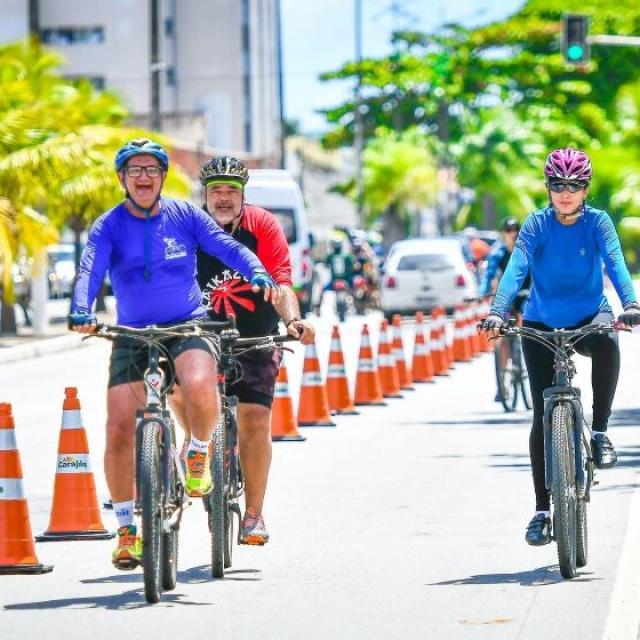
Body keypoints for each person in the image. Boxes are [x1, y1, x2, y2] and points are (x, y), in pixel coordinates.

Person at [68, 139, 280, 568]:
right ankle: (128, 530)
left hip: (188, 324)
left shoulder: (184, 215)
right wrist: (81, 309)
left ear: (163, 177)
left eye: (151, 169)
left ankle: (198, 449)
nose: (143, 177)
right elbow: (90, 269)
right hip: (133, 332)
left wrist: (255, 269)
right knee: (117, 429)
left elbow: (227, 246)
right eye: (135, 170)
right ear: (122, 178)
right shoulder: (109, 225)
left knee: (201, 385)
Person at [480, 147, 640, 547]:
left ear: (586, 189)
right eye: (558, 185)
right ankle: (541, 510)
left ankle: (600, 432)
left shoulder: (598, 223)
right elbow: (517, 267)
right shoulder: (535, 224)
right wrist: (499, 312)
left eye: (574, 185)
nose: (566, 192)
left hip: (588, 315)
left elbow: (617, 263)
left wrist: (632, 303)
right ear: (548, 188)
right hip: (541, 320)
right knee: (542, 416)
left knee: (608, 342)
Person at [170, 155, 315, 546]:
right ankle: (195, 440)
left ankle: (253, 514)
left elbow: (282, 280)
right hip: (200, 332)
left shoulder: (263, 225)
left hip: (254, 335)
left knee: (254, 419)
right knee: (177, 387)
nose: (223, 198)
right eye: (216, 190)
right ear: (205, 194)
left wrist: (292, 322)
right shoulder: (187, 228)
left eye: (231, 191)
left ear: (242, 196)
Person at [479, 217, 531, 402]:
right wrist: (482, 292)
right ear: (503, 233)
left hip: (525, 295)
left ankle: (527, 354)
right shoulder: (498, 253)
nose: (513, 233)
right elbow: (489, 275)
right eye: (508, 230)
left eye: (516, 229)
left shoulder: (526, 251)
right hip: (505, 298)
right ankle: (502, 383)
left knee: (528, 323)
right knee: (500, 336)